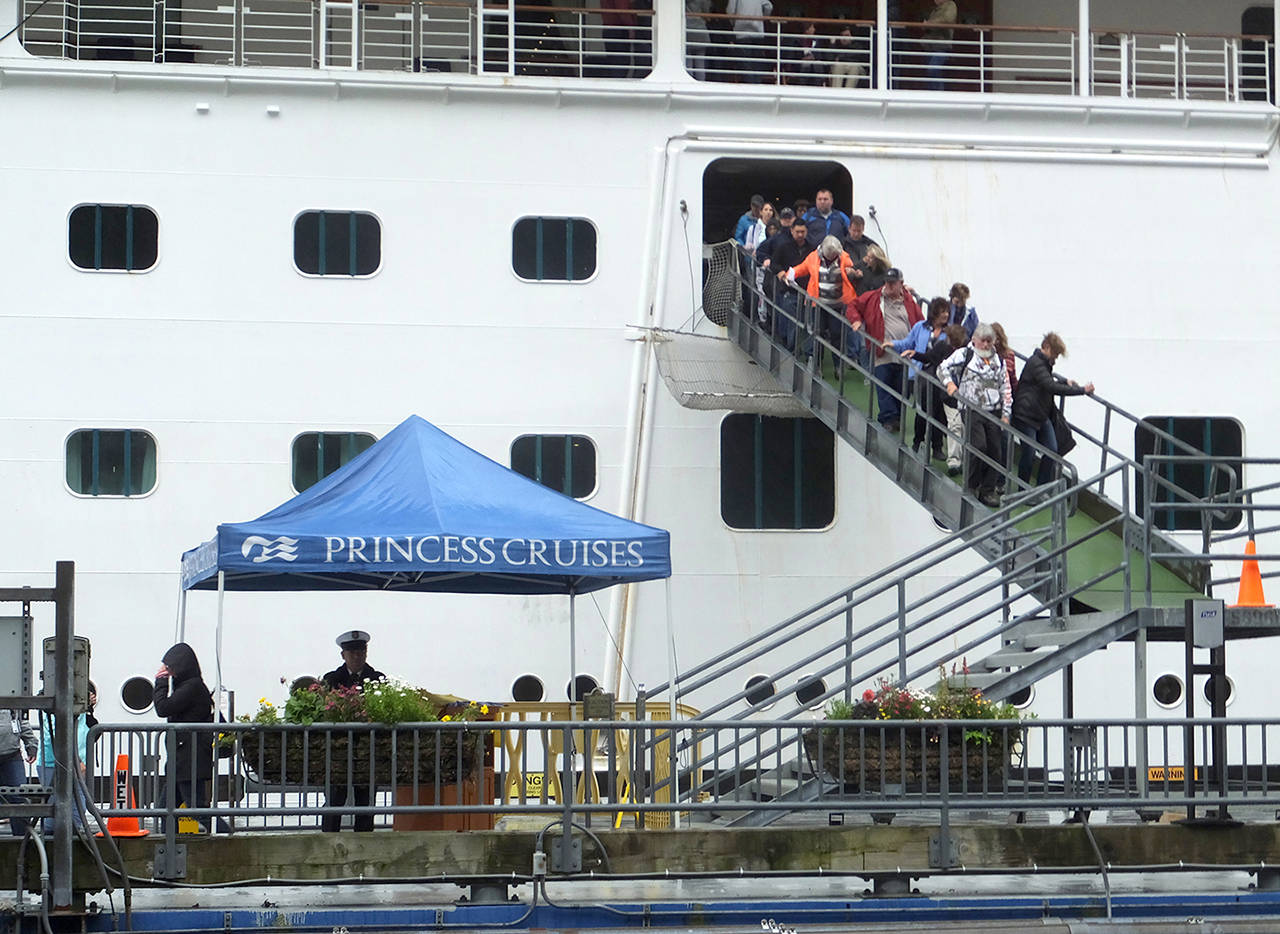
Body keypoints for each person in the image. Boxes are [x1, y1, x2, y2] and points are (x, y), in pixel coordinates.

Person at [154, 643, 226, 833]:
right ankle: (169, 847)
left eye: (170, 667)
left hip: (189, 758)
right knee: (166, 809)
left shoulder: (192, 687)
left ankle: (228, 837)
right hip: (183, 758)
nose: (168, 671)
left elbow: (163, 708)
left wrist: (160, 682)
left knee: (196, 808)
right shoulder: (191, 685)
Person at [940, 324, 1012, 507]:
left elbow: (1006, 388)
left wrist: (1006, 414)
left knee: (996, 450)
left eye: (990, 341)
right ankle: (971, 485)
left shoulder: (999, 361)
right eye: (983, 341)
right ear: (975, 340)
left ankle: (987, 490)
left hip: (993, 410)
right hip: (970, 407)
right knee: (979, 446)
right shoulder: (965, 354)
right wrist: (949, 384)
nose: (987, 345)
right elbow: (942, 367)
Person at [1011, 332, 1095, 487]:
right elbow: (1049, 385)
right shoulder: (1037, 363)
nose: (1055, 359)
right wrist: (1082, 390)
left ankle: (1039, 489)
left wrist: (1064, 381)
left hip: (1039, 414)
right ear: (1047, 348)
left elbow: (1047, 382)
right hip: (1026, 415)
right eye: (1055, 354)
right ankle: (1024, 490)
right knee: (1029, 454)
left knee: (1051, 450)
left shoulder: (1042, 364)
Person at [321, 631, 385, 832]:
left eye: (361, 651)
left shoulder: (377, 678)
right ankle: (327, 845)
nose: (357, 656)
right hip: (338, 751)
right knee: (334, 800)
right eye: (352, 652)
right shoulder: (331, 679)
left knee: (365, 802)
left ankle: (364, 848)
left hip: (368, 750)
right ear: (343, 655)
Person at [848, 267, 923, 431]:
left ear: (901, 284)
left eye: (892, 283)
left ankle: (896, 418)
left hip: (904, 354)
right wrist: (856, 320)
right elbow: (853, 305)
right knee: (883, 385)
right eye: (887, 282)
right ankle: (888, 419)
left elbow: (920, 323)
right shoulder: (873, 298)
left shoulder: (909, 301)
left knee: (901, 389)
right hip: (882, 351)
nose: (888, 286)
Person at [786, 235, 857, 368]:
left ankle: (838, 365)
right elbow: (802, 268)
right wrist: (790, 274)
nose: (832, 258)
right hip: (816, 304)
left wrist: (852, 273)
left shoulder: (844, 258)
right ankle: (816, 363)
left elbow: (852, 270)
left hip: (837, 305)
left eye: (834, 255)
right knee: (817, 332)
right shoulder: (813, 257)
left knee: (837, 334)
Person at [894, 298, 951, 456]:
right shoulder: (920, 327)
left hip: (939, 378)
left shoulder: (950, 332)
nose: (946, 314)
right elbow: (907, 343)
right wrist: (893, 344)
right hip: (919, 376)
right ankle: (918, 441)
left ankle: (937, 447)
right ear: (934, 313)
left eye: (947, 311)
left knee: (938, 413)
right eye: (942, 311)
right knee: (922, 410)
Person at [37, 679, 92, 835]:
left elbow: (91, 729)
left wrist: (90, 707)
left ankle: (60, 851)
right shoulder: (56, 708)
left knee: (76, 813)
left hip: (72, 762)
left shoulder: (79, 709)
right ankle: (51, 850)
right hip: (54, 762)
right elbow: (57, 735)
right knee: (58, 815)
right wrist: (77, 760)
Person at [766, 216, 812, 349]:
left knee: (807, 325)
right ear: (791, 231)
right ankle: (790, 349)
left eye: (802, 232)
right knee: (790, 324)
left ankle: (806, 353)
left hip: (807, 292)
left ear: (806, 232)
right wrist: (780, 273)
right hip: (789, 291)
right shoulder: (783, 247)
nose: (800, 235)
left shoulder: (812, 248)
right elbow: (774, 263)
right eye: (797, 232)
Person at [0, 708, 38, 837]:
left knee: (19, 798)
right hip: (11, 756)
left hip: (12, 756)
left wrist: (31, 744)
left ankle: (22, 841)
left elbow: (22, 721)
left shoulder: (12, 701)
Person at [727, 0, 773, 83]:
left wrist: (734, 23)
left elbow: (730, 11)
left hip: (742, 32)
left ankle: (749, 85)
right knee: (757, 62)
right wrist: (763, 18)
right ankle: (757, 84)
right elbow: (769, 6)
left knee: (745, 63)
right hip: (758, 32)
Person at [922, 0, 957, 91]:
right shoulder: (935, 9)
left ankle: (938, 93)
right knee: (930, 72)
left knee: (933, 69)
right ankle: (932, 94)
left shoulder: (950, 5)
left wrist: (930, 23)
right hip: (930, 46)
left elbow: (948, 19)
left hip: (942, 45)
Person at [685, 0, 712, 81]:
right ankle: (701, 85)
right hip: (699, 31)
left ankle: (688, 84)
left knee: (688, 62)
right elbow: (707, 14)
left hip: (686, 30)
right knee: (700, 63)